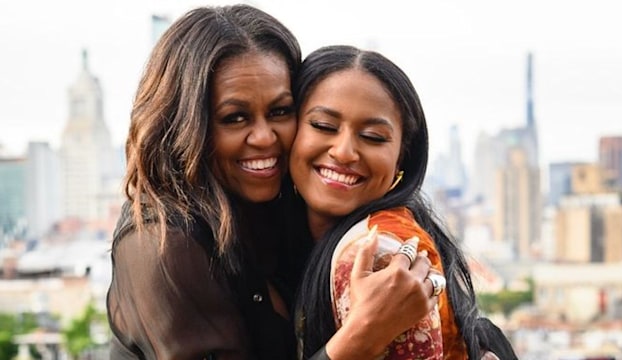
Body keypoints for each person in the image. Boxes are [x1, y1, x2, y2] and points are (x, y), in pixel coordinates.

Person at [107, 5, 436, 360]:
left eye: (280, 111)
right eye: (234, 118)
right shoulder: (162, 246)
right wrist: (361, 336)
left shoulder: (295, 207)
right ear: (187, 126)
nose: (265, 138)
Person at [288, 45, 518, 359]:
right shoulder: (279, 238)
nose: (343, 151)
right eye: (324, 127)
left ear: (401, 159)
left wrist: (362, 334)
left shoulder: (380, 256)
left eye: (372, 136)